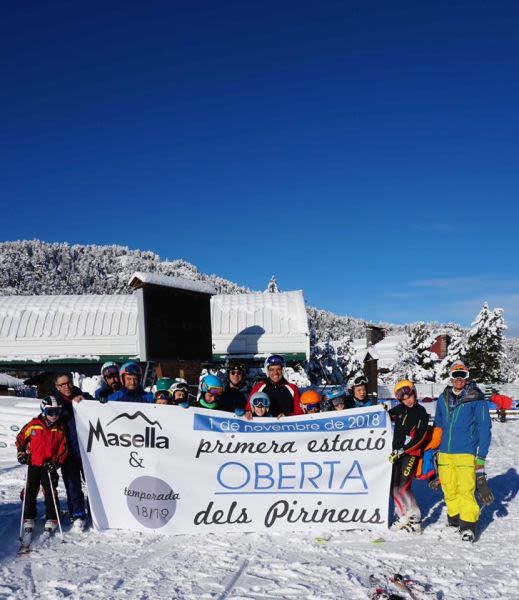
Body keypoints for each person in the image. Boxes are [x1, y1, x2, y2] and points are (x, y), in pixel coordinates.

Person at [434, 361, 493, 542]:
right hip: (444, 452)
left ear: (467, 377)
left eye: (463, 375)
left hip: (465, 451)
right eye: (455, 375)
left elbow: (485, 428)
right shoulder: (443, 398)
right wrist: (433, 452)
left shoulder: (477, 398)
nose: (459, 379)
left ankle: (467, 526)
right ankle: (454, 521)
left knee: (466, 489)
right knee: (449, 489)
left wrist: (481, 457)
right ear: (450, 377)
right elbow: (438, 425)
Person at [16, 396, 68, 539]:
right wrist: (21, 452)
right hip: (33, 463)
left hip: (48, 466)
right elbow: (21, 438)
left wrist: (57, 462)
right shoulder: (34, 425)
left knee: (50, 492)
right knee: (30, 491)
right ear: (44, 411)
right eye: (51, 412)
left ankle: (52, 517)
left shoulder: (60, 429)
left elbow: (63, 449)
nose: (54, 416)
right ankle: (28, 517)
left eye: (57, 412)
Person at [388, 380, 429, 533]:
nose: (408, 401)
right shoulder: (399, 410)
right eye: (404, 399)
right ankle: (403, 516)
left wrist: (404, 450)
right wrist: (382, 410)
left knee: (404, 487)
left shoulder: (421, 413)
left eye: (410, 396)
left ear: (414, 393)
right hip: (396, 454)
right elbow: (386, 416)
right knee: (394, 488)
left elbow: (420, 437)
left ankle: (415, 518)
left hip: (411, 453)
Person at [52, 371, 92, 529]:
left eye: (69, 382)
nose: (67, 386)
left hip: (87, 450)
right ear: (57, 386)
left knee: (93, 483)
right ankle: (77, 514)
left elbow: (100, 407)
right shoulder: (54, 402)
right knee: (72, 484)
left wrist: (86, 401)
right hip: (67, 451)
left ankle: (97, 511)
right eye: (62, 384)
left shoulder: (82, 395)